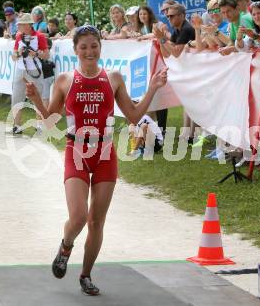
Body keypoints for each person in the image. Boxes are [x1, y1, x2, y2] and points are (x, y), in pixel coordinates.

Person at [25, 24, 168, 295]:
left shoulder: (113, 78)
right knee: (78, 217)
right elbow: (50, 121)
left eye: (94, 45)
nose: (89, 51)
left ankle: (86, 275)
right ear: (75, 50)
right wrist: (35, 99)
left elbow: (135, 116)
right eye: (84, 47)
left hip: (104, 153)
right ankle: (66, 246)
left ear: (101, 47)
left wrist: (153, 87)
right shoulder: (65, 80)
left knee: (96, 222)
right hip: (76, 151)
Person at [153, 4, 195, 142]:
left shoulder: (187, 28)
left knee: (194, 102)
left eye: (171, 15)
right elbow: (166, 53)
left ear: (181, 16)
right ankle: (187, 133)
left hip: (194, 70)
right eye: (167, 16)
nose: (168, 18)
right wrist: (160, 38)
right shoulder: (177, 30)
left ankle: (192, 134)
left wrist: (163, 39)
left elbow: (175, 53)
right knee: (188, 101)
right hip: (188, 70)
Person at [11, 13, 50, 135]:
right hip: (20, 70)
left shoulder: (39, 36)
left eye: (21, 24)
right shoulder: (18, 37)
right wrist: (19, 53)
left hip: (34, 70)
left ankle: (39, 125)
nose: (19, 27)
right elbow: (13, 56)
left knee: (36, 97)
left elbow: (46, 55)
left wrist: (35, 54)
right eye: (19, 24)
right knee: (17, 97)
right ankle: (16, 125)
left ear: (28, 25)